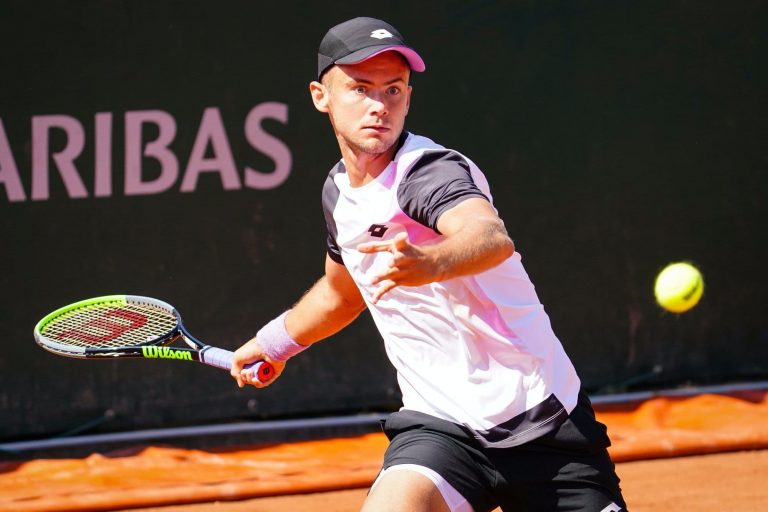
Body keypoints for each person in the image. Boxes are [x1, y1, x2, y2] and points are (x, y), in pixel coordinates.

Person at [231, 16, 627, 512]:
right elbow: (341, 293)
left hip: (544, 424)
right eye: (360, 88)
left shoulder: (428, 172)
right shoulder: (338, 192)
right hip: (441, 428)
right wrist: (275, 343)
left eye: (393, 90)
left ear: (408, 98)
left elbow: (490, 236)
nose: (379, 105)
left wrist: (432, 262)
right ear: (321, 95)